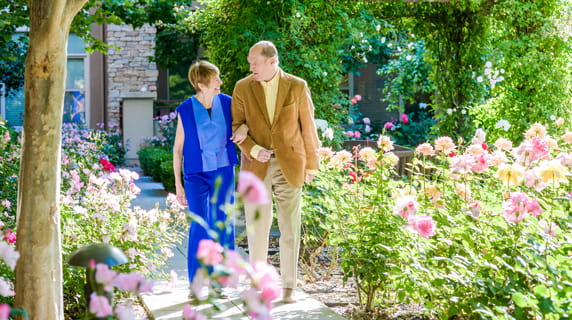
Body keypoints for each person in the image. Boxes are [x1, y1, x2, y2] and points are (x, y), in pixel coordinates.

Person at [232, 40, 320, 303]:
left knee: (289, 226)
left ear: (272, 61)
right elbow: (237, 126)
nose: (250, 67)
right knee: (257, 227)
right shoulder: (242, 87)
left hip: (290, 163)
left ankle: (289, 286)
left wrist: (312, 164)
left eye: (255, 62)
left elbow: (308, 126)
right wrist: (252, 147)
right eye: (250, 62)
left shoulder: (297, 85)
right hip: (255, 164)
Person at [173, 60, 248, 287]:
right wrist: (178, 185)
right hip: (195, 175)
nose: (220, 82)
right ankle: (197, 281)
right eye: (216, 79)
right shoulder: (185, 109)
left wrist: (243, 128)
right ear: (201, 84)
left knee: (223, 223)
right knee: (199, 224)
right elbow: (177, 149)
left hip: (223, 171)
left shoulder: (227, 103)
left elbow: (244, 124)